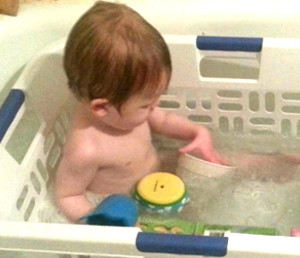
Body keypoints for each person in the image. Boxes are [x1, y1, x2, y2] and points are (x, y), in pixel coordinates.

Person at [55, 1, 223, 223]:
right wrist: (101, 222)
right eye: (147, 105)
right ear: (102, 107)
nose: (155, 107)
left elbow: (163, 121)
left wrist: (197, 132)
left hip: (162, 173)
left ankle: (278, 165)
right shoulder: (86, 149)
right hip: (130, 208)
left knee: (226, 164)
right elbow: (68, 195)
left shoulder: (125, 108)